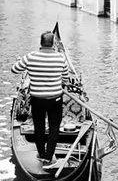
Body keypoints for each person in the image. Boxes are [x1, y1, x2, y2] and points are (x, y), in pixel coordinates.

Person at [17, 28, 76, 161]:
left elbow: (14, 69)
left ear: (41, 43)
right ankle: (49, 156)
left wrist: (23, 62)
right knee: (54, 128)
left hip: (37, 99)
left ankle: (41, 154)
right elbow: (65, 79)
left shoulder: (31, 56)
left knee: (39, 127)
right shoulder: (61, 58)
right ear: (54, 44)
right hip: (55, 99)